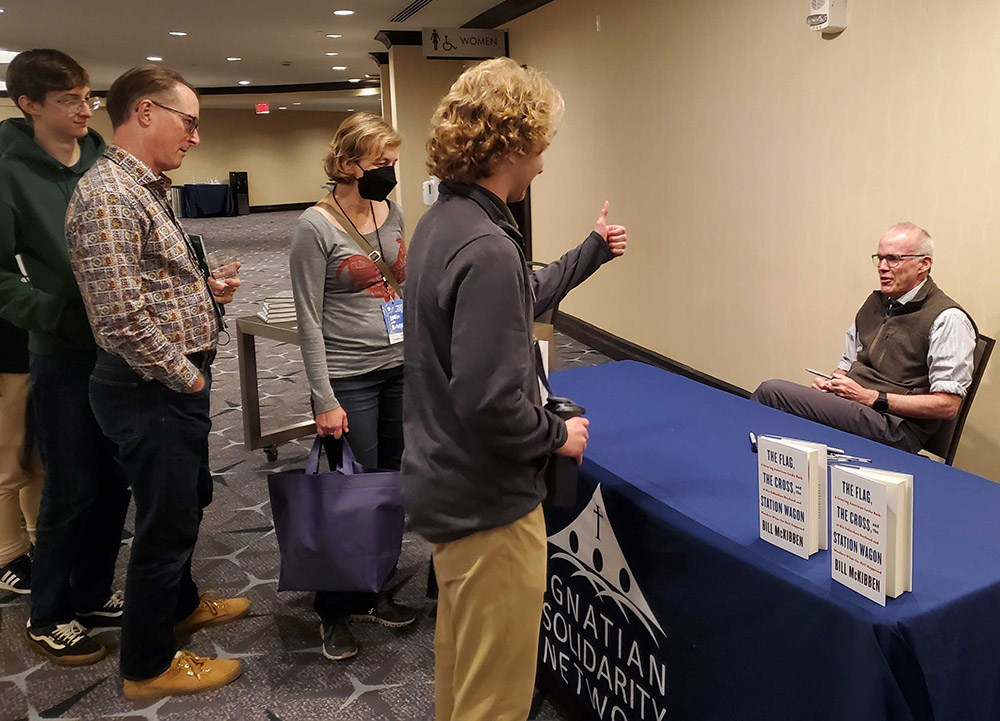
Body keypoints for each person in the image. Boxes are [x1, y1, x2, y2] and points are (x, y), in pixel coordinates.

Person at [401, 57, 628, 721]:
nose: (543, 165)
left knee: (463, 677)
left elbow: (518, 298)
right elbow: (494, 401)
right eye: (541, 148)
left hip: (449, 489)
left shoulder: (444, 225)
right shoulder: (487, 245)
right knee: (495, 699)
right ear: (512, 144)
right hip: (490, 507)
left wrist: (589, 250)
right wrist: (558, 434)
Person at [66, 65, 246, 700]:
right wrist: (187, 379)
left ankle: (182, 603)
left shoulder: (143, 188)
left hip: (166, 382)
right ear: (145, 113)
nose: (195, 136)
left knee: (185, 503)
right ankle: (147, 666)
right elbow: (117, 317)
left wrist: (204, 292)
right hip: (151, 386)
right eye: (188, 121)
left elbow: (147, 287)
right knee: (164, 524)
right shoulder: (110, 194)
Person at [0, 49, 130, 664]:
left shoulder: (104, 159)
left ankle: (93, 591)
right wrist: (52, 312)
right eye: (69, 100)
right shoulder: (8, 170)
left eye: (88, 96)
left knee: (114, 481)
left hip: (123, 347)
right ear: (28, 106)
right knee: (70, 487)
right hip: (62, 352)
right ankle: (48, 612)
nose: (85, 109)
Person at [289, 112, 416, 662]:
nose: (389, 172)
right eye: (380, 163)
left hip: (401, 367)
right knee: (349, 496)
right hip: (350, 376)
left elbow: (404, 283)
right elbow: (308, 318)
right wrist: (325, 398)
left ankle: (375, 586)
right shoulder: (314, 227)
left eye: (393, 162)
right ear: (346, 164)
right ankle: (334, 608)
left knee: (389, 487)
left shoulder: (392, 209)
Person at [751, 222, 977, 453]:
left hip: (895, 426)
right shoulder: (874, 304)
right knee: (784, 404)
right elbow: (846, 366)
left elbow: (948, 405)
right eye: (879, 259)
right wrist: (832, 384)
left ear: (924, 264)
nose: (882, 267)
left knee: (772, 393)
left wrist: (872, 397)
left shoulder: (948, 319)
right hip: (858, 407)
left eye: (893, 259)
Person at [0, 313, 43, 595]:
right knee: (8, 463)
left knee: (39, 461)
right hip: (6, 362)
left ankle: (41, 538)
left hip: (35, 354)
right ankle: (7, 557)